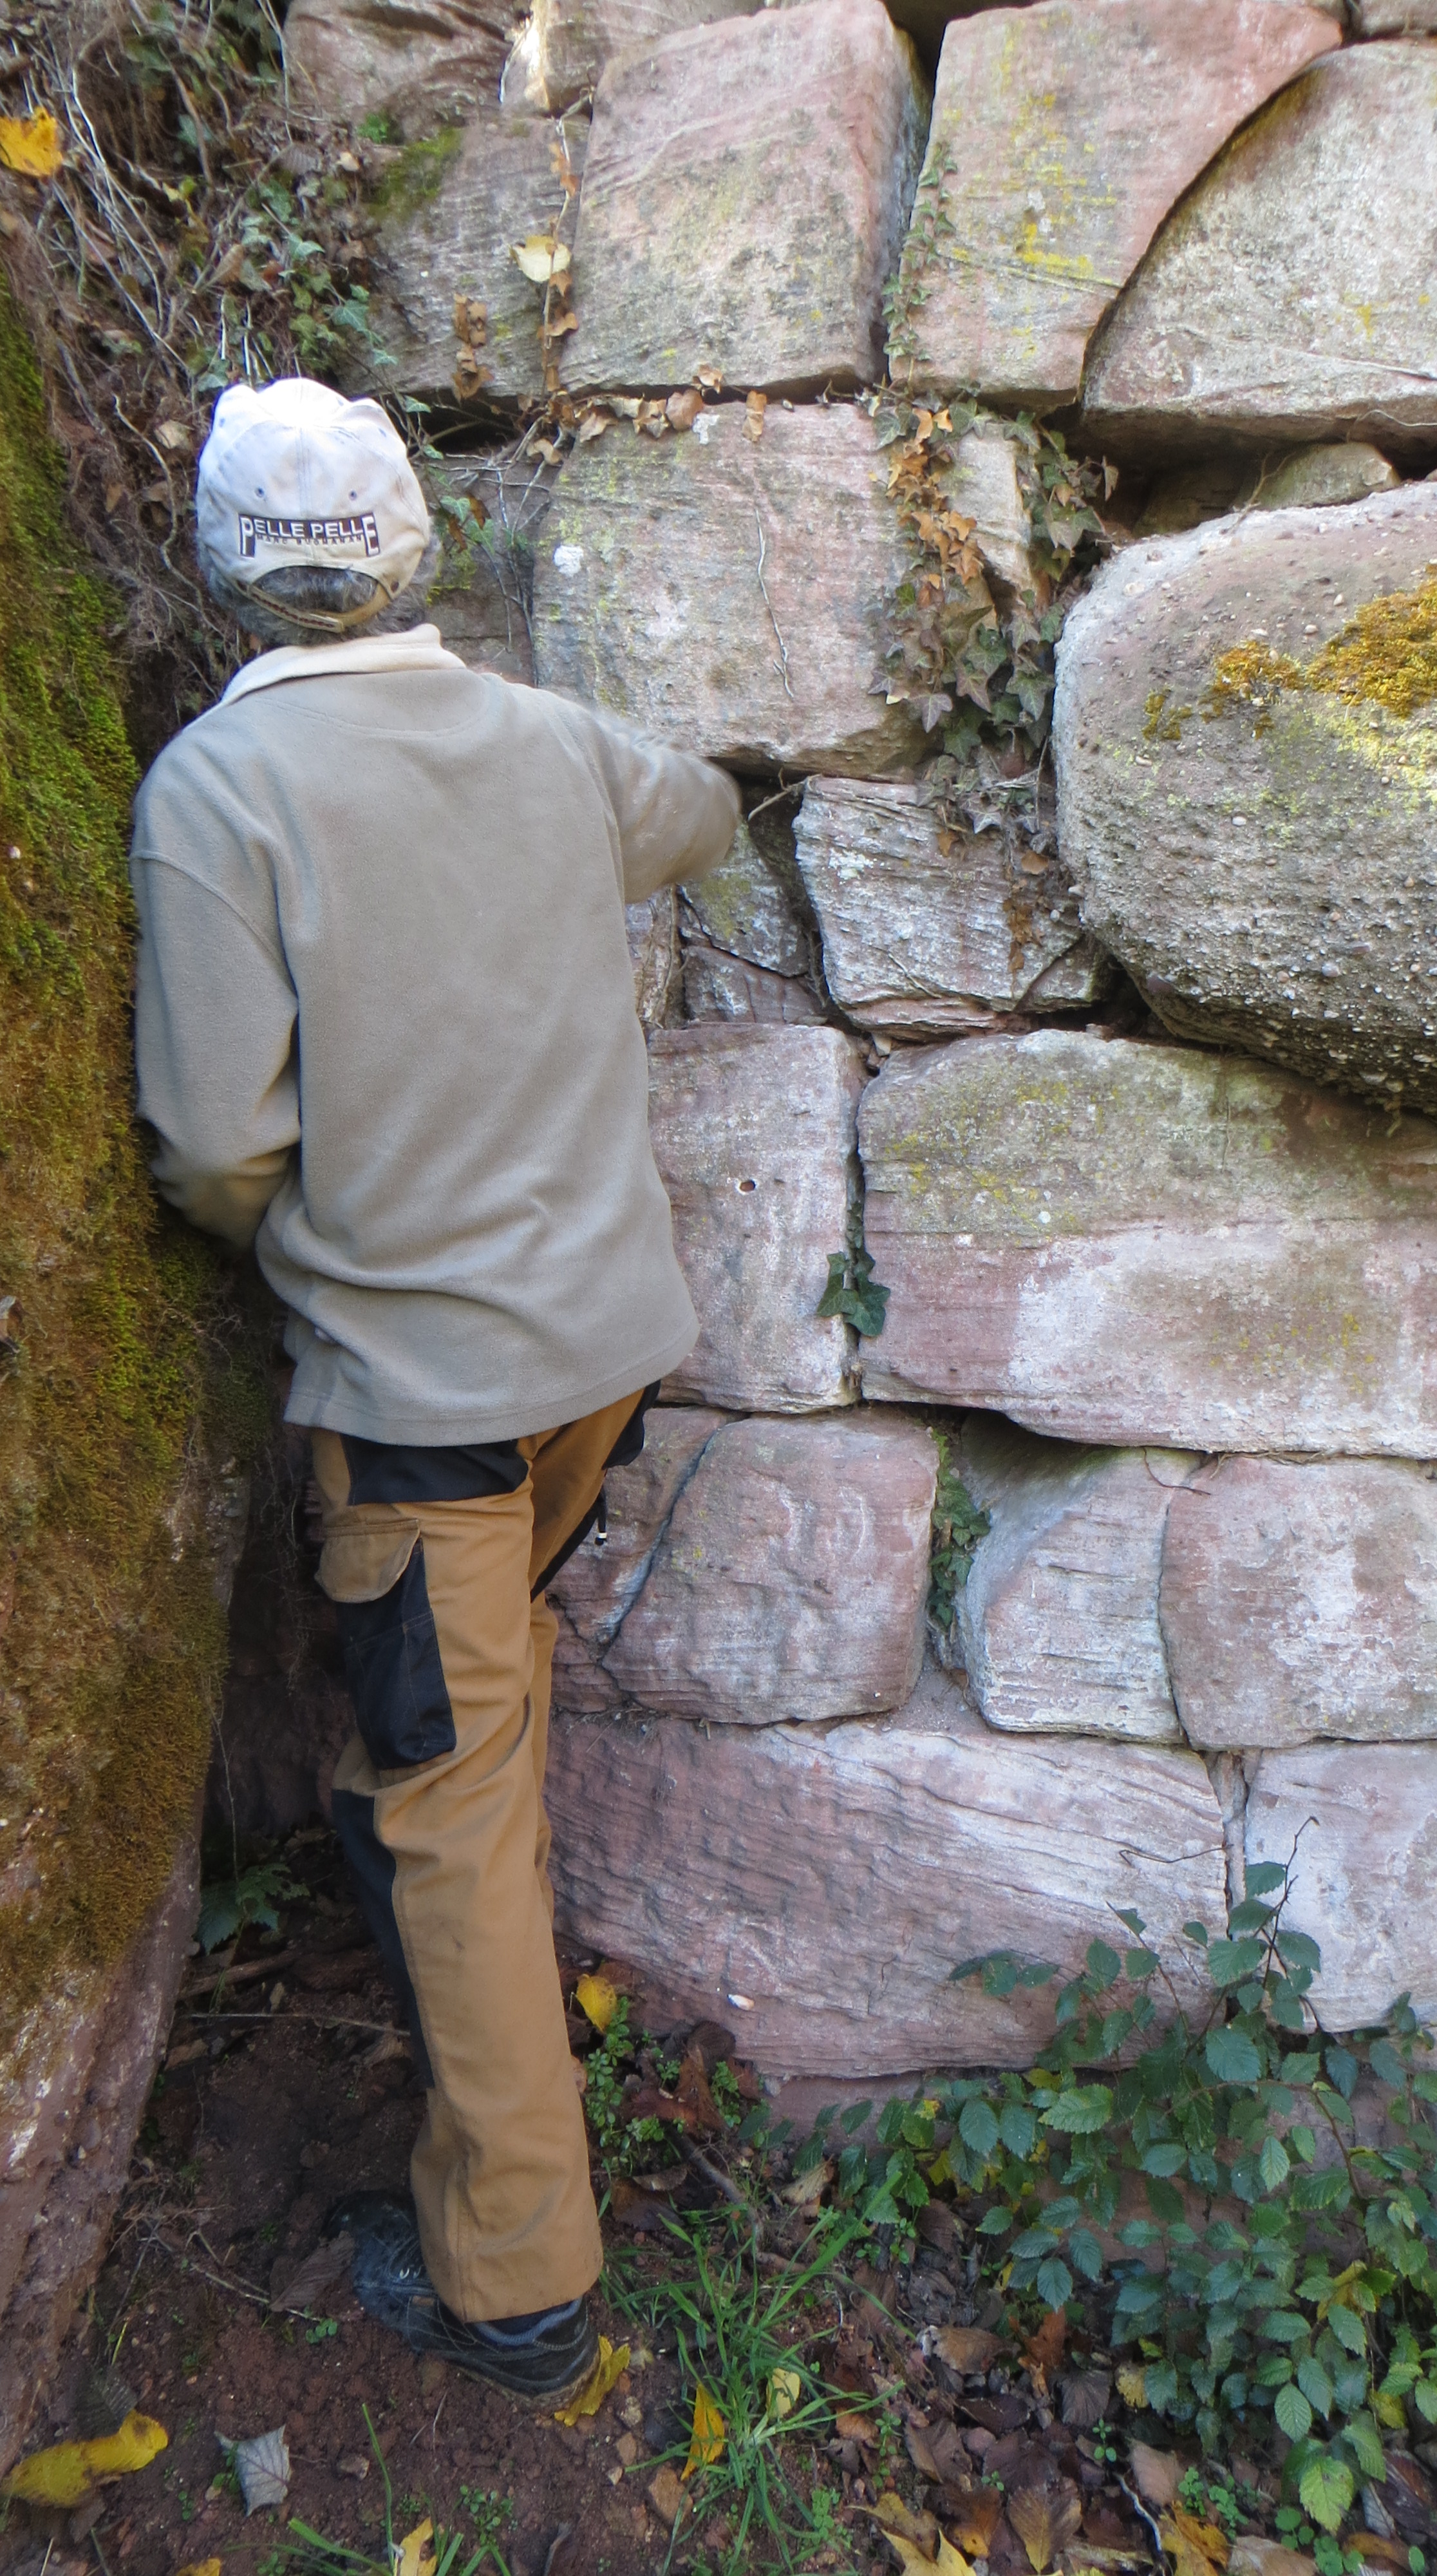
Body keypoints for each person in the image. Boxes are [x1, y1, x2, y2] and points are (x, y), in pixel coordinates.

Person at [131, 377, 740, 2403]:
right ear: (408, 545)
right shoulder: (544, 746)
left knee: (453, 1815)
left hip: (420, 1398)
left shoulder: (218, 794)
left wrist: (317, 1229)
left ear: (229, 570)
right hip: (602, 1361)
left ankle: (519, 2283)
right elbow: (701, 807)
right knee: (468, 1722)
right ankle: (410, 1795)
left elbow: (214, 1146)